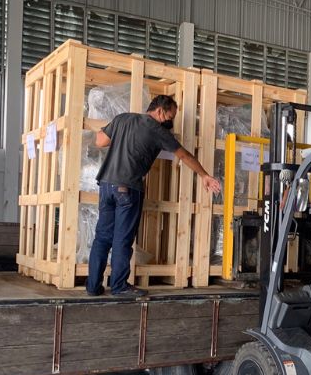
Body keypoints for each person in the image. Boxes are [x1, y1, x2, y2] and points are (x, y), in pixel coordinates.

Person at [86, 95, 221, 297]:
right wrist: (204, 175)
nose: (170, 122)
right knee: (122, 239)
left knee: (103, 237)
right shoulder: (157, 130)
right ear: (159, 111)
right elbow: (184, 155)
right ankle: (119, 287)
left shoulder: (123, 118)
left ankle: (93, 286)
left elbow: (100, 141)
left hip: (106, 185)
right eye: (170, 116)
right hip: (128, 188)